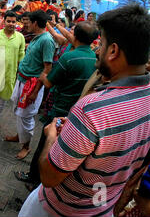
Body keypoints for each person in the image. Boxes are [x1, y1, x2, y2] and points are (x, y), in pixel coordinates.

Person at [19, 4, 150, 217]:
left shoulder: (92, 109)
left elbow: (49, 177)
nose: (97, 50)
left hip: (60, 209)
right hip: (101, 208)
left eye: (102, 45)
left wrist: (52, 137)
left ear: (113, 51)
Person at [15, 21, 99, 189]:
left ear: (75, 36)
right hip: (75, 109)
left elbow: (48, 82)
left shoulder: (69, 57)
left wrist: (42, 75)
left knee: (45, 143)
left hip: (60, 107)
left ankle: (34, 178)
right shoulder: (93, 57)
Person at [6, 10, 55, 160]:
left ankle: (26, 146)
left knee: (26, 116)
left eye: (28, 21)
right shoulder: (37, 37)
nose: (24, 24)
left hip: (31, 85)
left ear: (35, 23)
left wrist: (35, 91)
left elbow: (47, 68)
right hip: (22, 81)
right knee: (18, 110)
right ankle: (20, 136)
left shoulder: (47, 40)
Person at [0, 11, 25, 130]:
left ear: (16, 23)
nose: (11, 24)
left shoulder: (20, 37)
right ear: (4, 22)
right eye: (9, 21)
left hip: (10, 73)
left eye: (14, 21)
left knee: (3, 98)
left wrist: (20, 70)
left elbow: (21, 55)